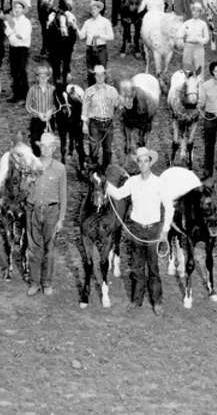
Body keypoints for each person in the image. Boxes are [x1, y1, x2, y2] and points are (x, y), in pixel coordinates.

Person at [106, 146, 171, 314]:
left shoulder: (159, 182)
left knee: (154, 268)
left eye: (145, 161)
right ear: (137, 163)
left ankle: (157, 302)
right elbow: (119, 194)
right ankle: (137, 300)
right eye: (140, 161)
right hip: (136, 229)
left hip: (153, 230)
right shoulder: (133, 181)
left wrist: (165, 230)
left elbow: (169, 207)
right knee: (136, 267)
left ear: (150, 163)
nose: (143, 164)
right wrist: (104, 184)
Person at [26, 133, 67, 297]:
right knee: (34, 247)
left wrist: (61, 218)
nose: (46, 149)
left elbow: (63, 194)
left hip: (52, 211)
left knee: (49, 248)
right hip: (34, 209)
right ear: (39, 147)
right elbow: (25, 187)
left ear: (54, 148)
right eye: (43, 146)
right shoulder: (32, 164)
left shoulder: (60, 168)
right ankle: (35, 282)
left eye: (50, 146)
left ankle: (47, 282)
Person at [81, 65, 120, 173]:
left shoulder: (112, 90)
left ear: (105, 75)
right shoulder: (89, 91)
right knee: (94, 148)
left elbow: (118, 104)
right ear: (94, 76)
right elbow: (85, 108)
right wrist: (85, 124)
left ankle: (106, 171)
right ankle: (94, 172)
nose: (100, 77)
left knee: (107, 149)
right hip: (95, 123)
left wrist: (122, 101)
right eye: (97, 75)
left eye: (102, 74)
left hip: (108, 124)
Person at [79, 0, 114, 85]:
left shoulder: (105, 21)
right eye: (91, 9)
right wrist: (75, 27)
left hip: (101, 49)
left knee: (101, 72)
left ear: (99, 10)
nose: (93, 11)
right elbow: (81, 36)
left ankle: (103, 93)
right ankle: (91, 92)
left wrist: (100, 35)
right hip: (90, 50)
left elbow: (111, 37)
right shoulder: (87, 22)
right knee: (90, 73)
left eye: (95, 9)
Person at [26, 64, 55, 156]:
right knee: (35, 141)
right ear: (37, 77)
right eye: (40, 76)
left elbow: (57, 105)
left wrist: (50, 111)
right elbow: (28, 106)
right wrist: (38, 114)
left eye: (45, 76)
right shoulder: (32, 90)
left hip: (49, 120)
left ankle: (47, 160)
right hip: (36, 120)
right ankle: (37, 159)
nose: (43, 79)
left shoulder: (53, 89)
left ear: (48, 77)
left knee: (48, 142)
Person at [6, 1, 32, 104]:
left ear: (23, 10)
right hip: (13, 48)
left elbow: (22, 36)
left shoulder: (26, 22)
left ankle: (25, 96)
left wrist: (13, 33)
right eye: (15, 8)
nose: (16, 10)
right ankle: (16, 94)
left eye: (19, 8)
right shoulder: (12, 21)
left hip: (22, 49)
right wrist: (13, 34)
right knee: (13, 71)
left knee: (21, 71)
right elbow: (7, 32)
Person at [179, 2, 210, 76]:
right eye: (194, 11)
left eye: (197, 11)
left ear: (200, 13)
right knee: (186, 67)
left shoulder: (203, 24)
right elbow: (180, 34)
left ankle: (199, 84)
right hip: (188, 47)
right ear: (192, 12)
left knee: (199, 67)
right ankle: (187, 83)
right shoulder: (187, 23)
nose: (195, 13)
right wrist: (182, 42)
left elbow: (207, 38)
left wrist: (199, 40)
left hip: (199, 47)